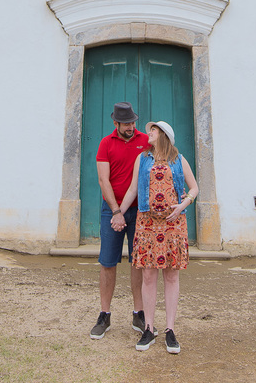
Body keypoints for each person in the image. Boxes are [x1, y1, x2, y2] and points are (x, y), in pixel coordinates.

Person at [117, 120, 199, 354]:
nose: (148, 133)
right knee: (148, 275)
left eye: (152, 130)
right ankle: (149, 329)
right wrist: (118, 214)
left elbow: (194, 188)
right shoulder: (142, 159)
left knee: (171, 276)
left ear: (163, 135)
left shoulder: (178, 160)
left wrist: (184, 203)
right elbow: (133, 189)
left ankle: (170, 330)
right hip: (147, 223)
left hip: (173, 224)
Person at [90, 102, 150, 339]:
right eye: (125, 123)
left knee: (139, 262)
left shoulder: (146, 140)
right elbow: (103, 181)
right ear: (115, 123)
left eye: (132, 122)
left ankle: (139, 312)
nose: (130, 127)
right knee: (107, 262)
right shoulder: (106, 143)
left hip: (140, 211)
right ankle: (105, 314)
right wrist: (116, 211)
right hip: (111, 211)